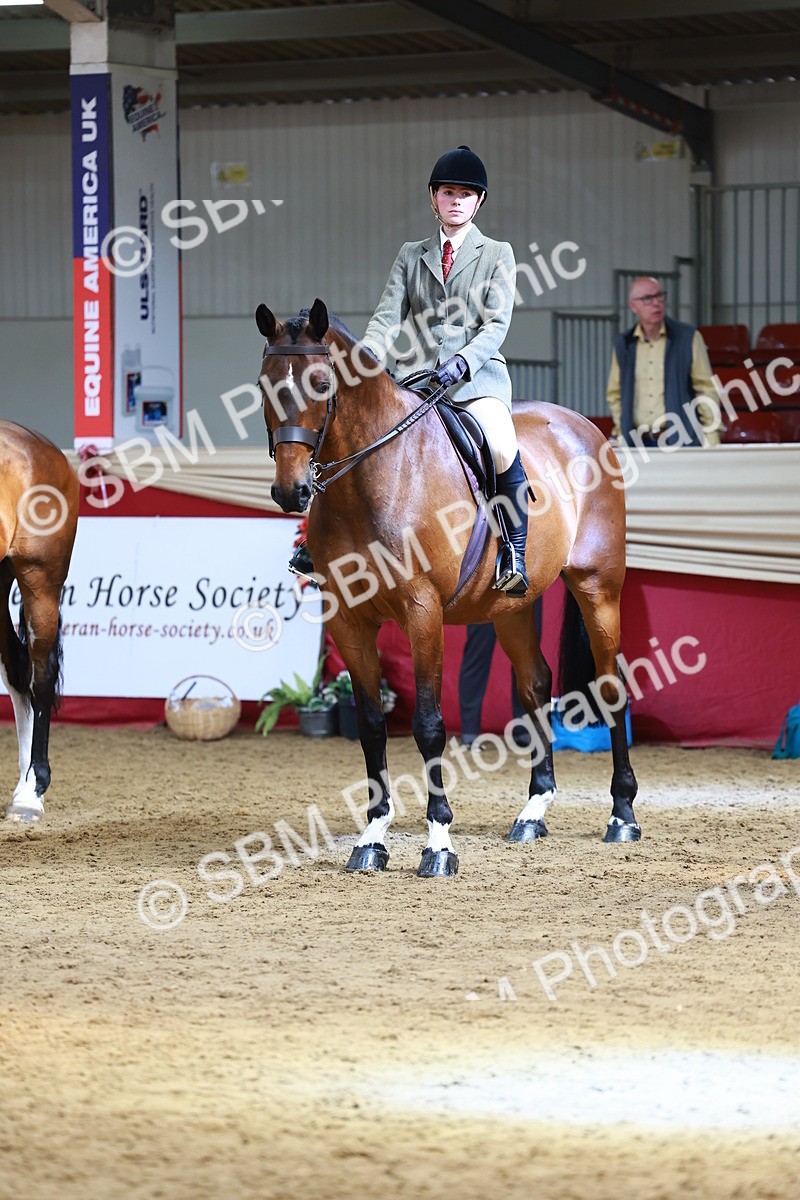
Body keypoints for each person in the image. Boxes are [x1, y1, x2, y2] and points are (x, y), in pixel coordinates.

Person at [289, 145, 529, 596]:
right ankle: (317, 545)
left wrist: (462, 362)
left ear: (479, 202)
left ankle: (514, 550)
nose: (456, 200)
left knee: (500, 444)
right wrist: (363, 364)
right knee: (353, 436)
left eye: (465, 194)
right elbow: (386, 318)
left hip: (475, 380)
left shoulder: (497, 253)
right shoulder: (410, 254)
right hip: (417, 378)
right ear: (433, 198)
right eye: (448, 192)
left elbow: (496, 325)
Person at [606, 276, 720, 447]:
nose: (656, 303)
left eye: (659, 296)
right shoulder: (624, 343)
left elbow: (706, 387)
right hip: (637, 442)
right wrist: (622, 429)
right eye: (647, 299)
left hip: (680, 439)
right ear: (633, 306)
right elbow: (614, 393)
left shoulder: (687, 337)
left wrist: (711, 435)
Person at [459, 595, 543, 748]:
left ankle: (524, 730)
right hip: (487, 589)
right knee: (477, 658)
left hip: (527, 587)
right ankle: (469, 733)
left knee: (527, 660)